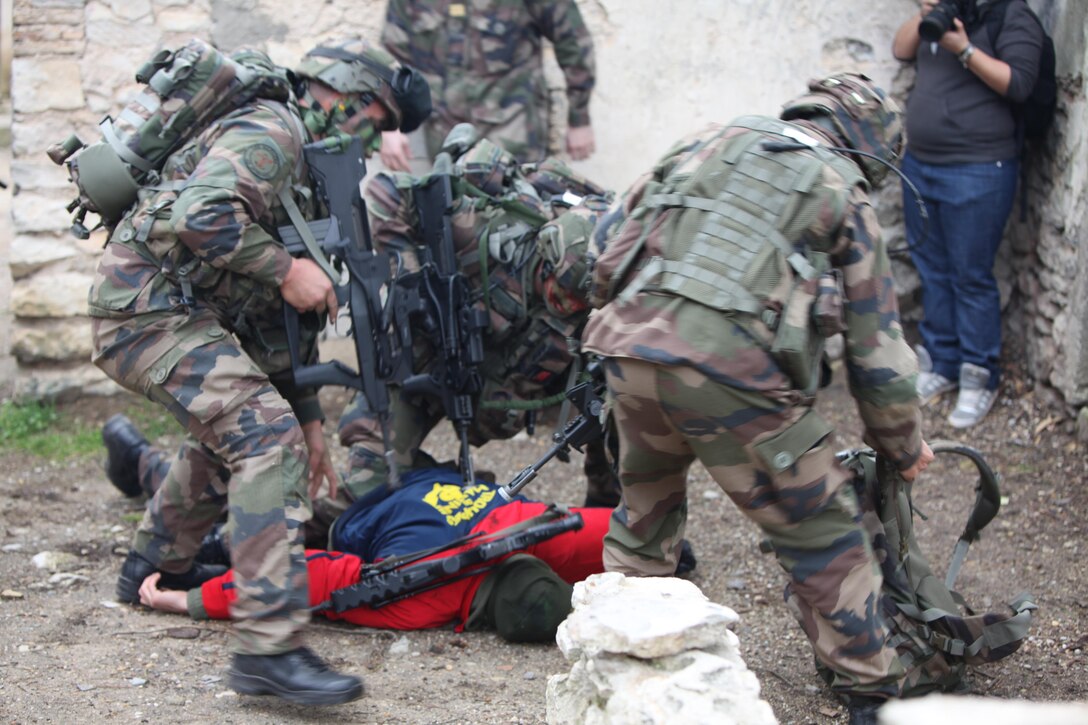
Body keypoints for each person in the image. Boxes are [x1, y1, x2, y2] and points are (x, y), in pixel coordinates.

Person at [581, 73, 936, 725]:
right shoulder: (840, 186)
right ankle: (871, 699)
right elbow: (877, 352)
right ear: (867, 145)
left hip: (630, 354)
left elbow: (603, 254)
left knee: (645, 514)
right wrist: (903, 444)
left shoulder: (705, 140)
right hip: (729, 372)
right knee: (825, 528)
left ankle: (618, 677)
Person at [88, 38, 429, 706]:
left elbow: (271, 322)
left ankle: (155, 564)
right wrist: (289, 270)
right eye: (372, 116)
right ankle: (269, 650)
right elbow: (200, 215)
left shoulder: (303, 160)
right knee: (261, 439)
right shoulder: (275, 129)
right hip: (145, 310)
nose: (372, 134)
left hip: (171, 309)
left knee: (249, 432)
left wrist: (309, 421)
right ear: (341, 92)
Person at [321, 128, 618, 543]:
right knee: (367, 485)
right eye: (560, 292)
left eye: (579, 302)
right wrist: (414, 288)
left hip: (503, 378)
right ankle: (436, 490)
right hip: (426, 358)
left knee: (620, 399)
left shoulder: (605, 280)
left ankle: (611, 528)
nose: (566, 306)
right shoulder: (479, 226)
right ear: (545, 257)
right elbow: (385, 192)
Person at [133, 467, 613, 642]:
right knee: (253, 520)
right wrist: (193, 600)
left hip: (403, 485)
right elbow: (308, 578)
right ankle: (164, 480)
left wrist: (672, 555)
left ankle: (153, 470)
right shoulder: (421, 594)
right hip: (352, 515)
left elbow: (623, 530)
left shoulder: (535, 529)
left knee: (255, 503)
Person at [892, 0, 1044, 428]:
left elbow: (1019, 83)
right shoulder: (938, 16)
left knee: (970, 275)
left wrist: (962, 47)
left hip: (980, 169)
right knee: (931, 268)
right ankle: (941, 362)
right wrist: (928, 16)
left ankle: (979, 377)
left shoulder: (1011, 16)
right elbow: (900, 49)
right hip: (922, 165)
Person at [377, 0, 596, 171]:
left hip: (513, 136)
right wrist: (390, 125)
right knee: (456, 221)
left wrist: (580, 119)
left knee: (519, 221)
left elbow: (573, 42)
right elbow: (393, 57)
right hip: (445, 140)